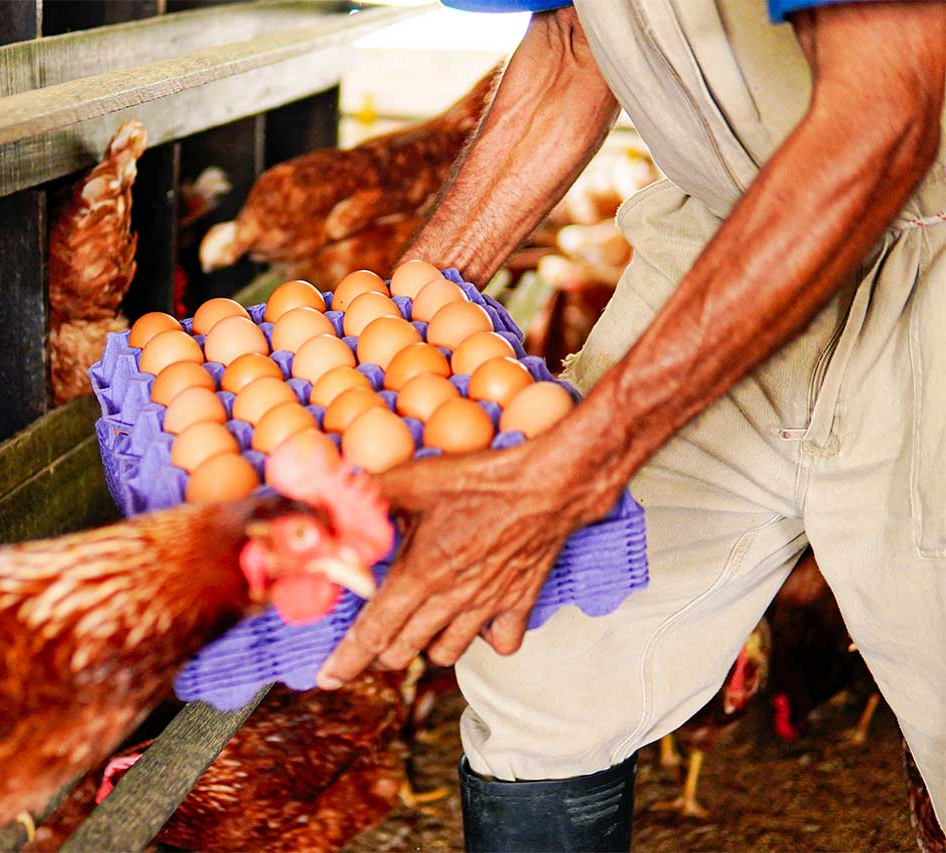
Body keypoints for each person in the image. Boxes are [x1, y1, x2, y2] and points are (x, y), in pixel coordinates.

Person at [313, 1, 945, 849]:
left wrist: (575, 462)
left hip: (919, 241)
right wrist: (391, 333)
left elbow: (879, 122)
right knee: (544, 654)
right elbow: (576, 39)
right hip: (731, 232)